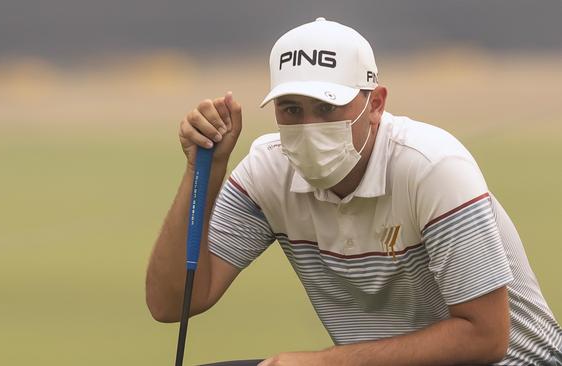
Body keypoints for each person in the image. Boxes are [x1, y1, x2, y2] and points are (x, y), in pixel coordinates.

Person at [146, 17, 562, 365]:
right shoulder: (268, 170)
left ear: (376, 103)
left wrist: (325, 362)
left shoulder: (431, 167)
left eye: (327, 108)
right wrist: (204, 171)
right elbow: (172, 303)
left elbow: (487, 337)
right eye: (291, 109)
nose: (308, 127)